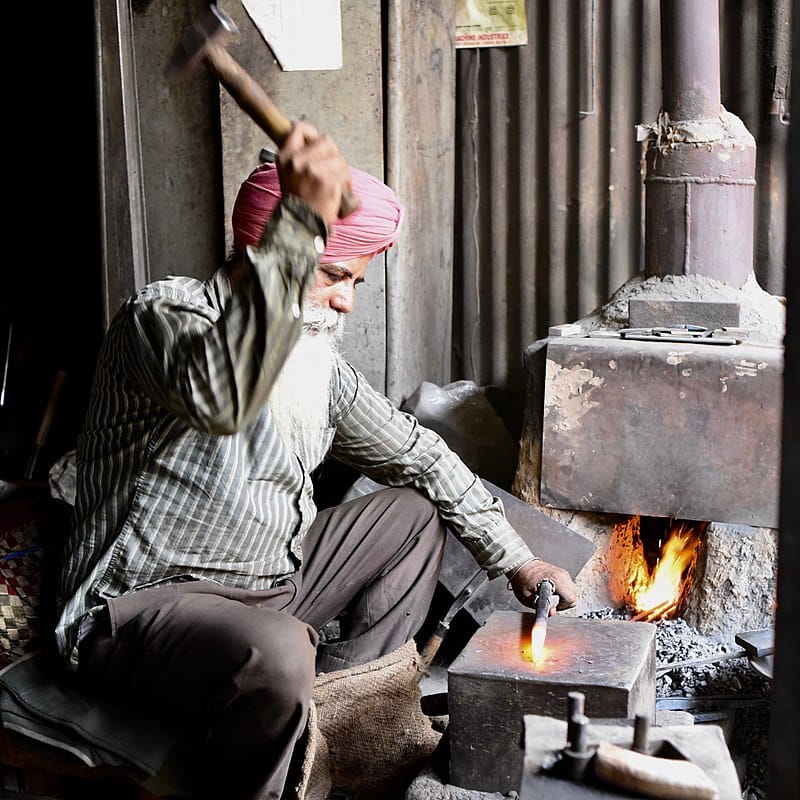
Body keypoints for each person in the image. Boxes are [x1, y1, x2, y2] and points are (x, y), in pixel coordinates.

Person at [54, 121, 578, 800]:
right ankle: (279, 761)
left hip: (270, 584)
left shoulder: (316, 366)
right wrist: (302, 219)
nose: (345, 299)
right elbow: (224, 397)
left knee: (414, 516)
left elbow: (419, 454)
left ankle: (337, 728)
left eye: (354, 279)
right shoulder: (163, 316)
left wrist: (516, 558)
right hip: (139, 613)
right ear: (269, 248)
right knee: (275, 652)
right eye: (333, 273)